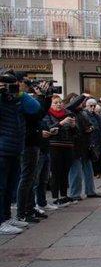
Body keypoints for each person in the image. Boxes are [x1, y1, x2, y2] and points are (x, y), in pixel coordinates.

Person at [0, 70, 42, 235]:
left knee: (9, 186)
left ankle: (7, 217)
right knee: (1, 187)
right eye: (7, 85)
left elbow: (35, 108)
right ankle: (1, 221)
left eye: (13, 85)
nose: (9, 88)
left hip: (16, 148)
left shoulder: (17, 100)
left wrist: (20, 93)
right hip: (3, 150)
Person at [15, 79, 51, 224]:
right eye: (24, 81)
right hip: (27, 142)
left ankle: (29, 208)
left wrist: (46, 96)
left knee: (31, 178)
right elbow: (37, 113)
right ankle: (22, 212)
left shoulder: (25, 98)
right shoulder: (21, 99)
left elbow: (41, 113)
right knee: (27, 178)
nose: (28, 84)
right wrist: (41, 96)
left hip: (33, 142)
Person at [40, 95, 76, 207]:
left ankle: (64, 195)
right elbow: (47, 128)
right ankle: (55, 197)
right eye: (55, 103)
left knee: (65, 171)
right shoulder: (47, 114)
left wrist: (73, 126)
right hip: (54, 145)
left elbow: (75, 133)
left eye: (60, 102)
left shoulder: (68, 114)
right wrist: (61, 123)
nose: (59, 104)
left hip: (68, 145)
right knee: (56, 172)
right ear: (51, 105)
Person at [67, 95, 100, 200]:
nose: (80, 104)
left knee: (88, 170)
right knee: (76, 172)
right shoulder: (69, 112)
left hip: (85, 144)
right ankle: (74, 194)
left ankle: (90, 191)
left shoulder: (83, 113)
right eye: (79, 102)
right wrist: (82, 96)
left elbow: (90, 125)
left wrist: (90, 128)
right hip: (75, 145)